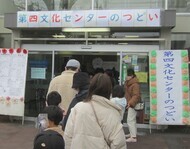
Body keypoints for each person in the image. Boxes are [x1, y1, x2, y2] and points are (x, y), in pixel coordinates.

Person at [64, 73, 126, 149]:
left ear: (91, 87)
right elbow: (118, 143)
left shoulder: (78, 107)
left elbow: (68, 136)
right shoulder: (111, 112)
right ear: (109, 90)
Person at [125, 68, 141, 143]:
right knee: (132, 120)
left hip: (132, 104)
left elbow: (136, 95)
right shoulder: (130, 83)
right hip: (131, 103)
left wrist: (130, 103)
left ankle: (133, 137)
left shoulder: (134, 84)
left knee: (130, 120)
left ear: (131, 76)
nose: (126, 77)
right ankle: (133, 134)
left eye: (128, 75)